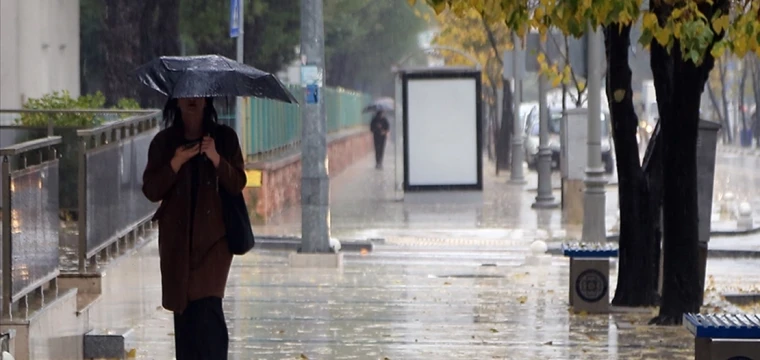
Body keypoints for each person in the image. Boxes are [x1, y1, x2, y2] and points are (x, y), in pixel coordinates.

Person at [142, 97, 246, 360]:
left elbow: (237, 183)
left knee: (208, 309)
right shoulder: (164, 143)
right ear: (176, 101)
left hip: (214, 243)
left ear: (207, 100)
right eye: (186, 93)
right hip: (177, 244)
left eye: (198, 94)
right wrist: (175, 163)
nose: (192, 99)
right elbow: (152, 190)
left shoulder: (224, 138)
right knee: (185, 312)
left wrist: (216, 158)